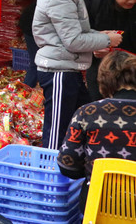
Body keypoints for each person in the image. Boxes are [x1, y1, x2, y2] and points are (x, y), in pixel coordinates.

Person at [27, 0, 122, 150]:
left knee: (77, 120)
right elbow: (73, 41)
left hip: (67, 67)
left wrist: (99, 35)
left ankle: (65, 168)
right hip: (59, 70)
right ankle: (49, 171)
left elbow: (72, 33)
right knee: (57, 129)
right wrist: (107, 40)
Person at [58, 50, 136, 209]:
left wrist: (92, 170)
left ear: (103, 80)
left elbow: (68, 166)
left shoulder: (87, 112)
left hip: (98, 206)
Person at [84, 0, 136, 101]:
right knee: (98, 104)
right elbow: (81, 34)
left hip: (132, 70)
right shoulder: (94, 1)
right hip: (100, 69)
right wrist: (94, 45)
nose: (132, 0)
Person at [18, 0, 38, 88]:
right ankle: (25, 90)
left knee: (35, 63)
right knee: (36, 64)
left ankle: (26, 90)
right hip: (31, 26)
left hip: (31, 24)